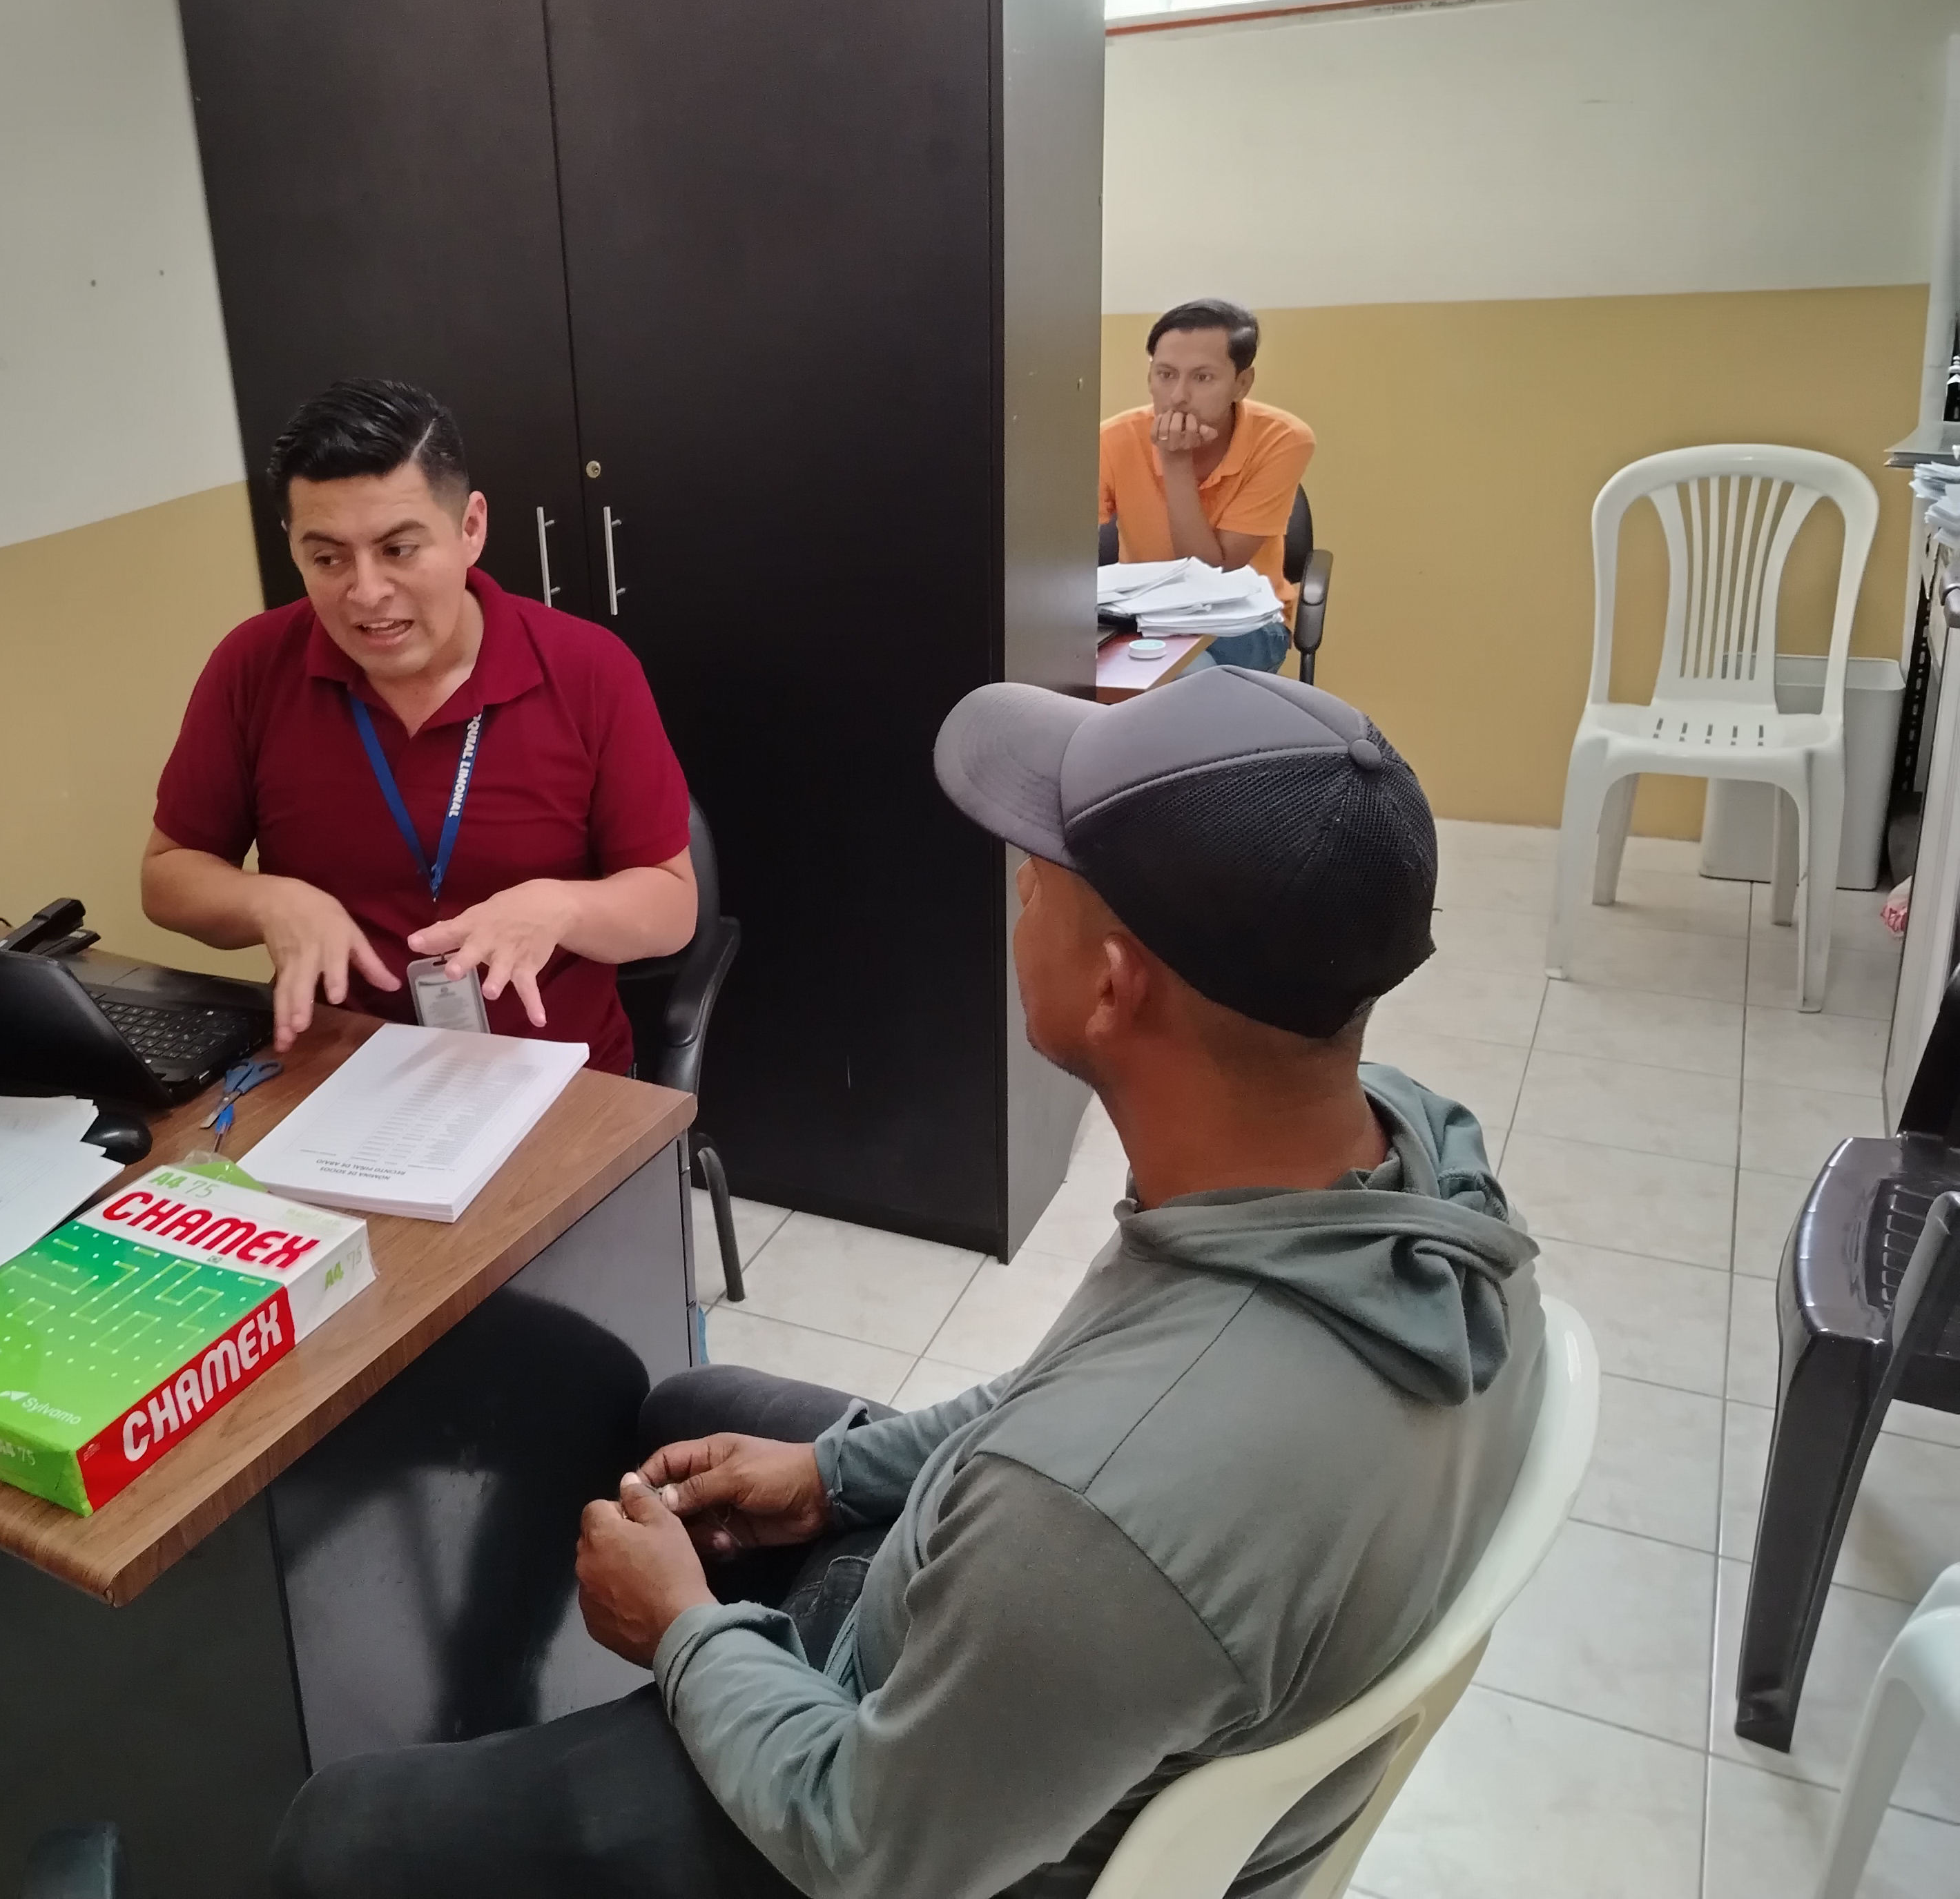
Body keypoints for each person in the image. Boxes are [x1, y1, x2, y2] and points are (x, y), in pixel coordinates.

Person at [271, 665, 1545, 1899]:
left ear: (1115, 987)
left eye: (1037, 882)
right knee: (686, 1409)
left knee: (335, 1838)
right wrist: (832, 1476)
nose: (1016, 899)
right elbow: (1067, 1399)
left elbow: (865, 1845)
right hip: (1046, 1661)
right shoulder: (1407, 1164)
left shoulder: (1101, 1516)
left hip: (902, 1823)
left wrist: (683, 1632)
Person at [144, 378, 696, 1071]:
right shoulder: (253, 665)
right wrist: (266, 901)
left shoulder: (588, 669)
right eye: (327, 558)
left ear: (470, 528)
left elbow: (672, 907)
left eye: (399, 550)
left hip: (555, 1076)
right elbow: (168, 876)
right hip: (337, 1069)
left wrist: (561, 909)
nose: (367, 592)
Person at [1100, 298, 1315, 675]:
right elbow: (1053, 547)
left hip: (1242, 619)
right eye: (1166, 374)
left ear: (1242, 384)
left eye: (1202, 378)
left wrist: (1175, 463)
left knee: (1181, 673)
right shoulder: (1114, 438)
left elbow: (1211, 574)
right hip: (1142, 614)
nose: (1178, 396)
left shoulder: (1283, 439)